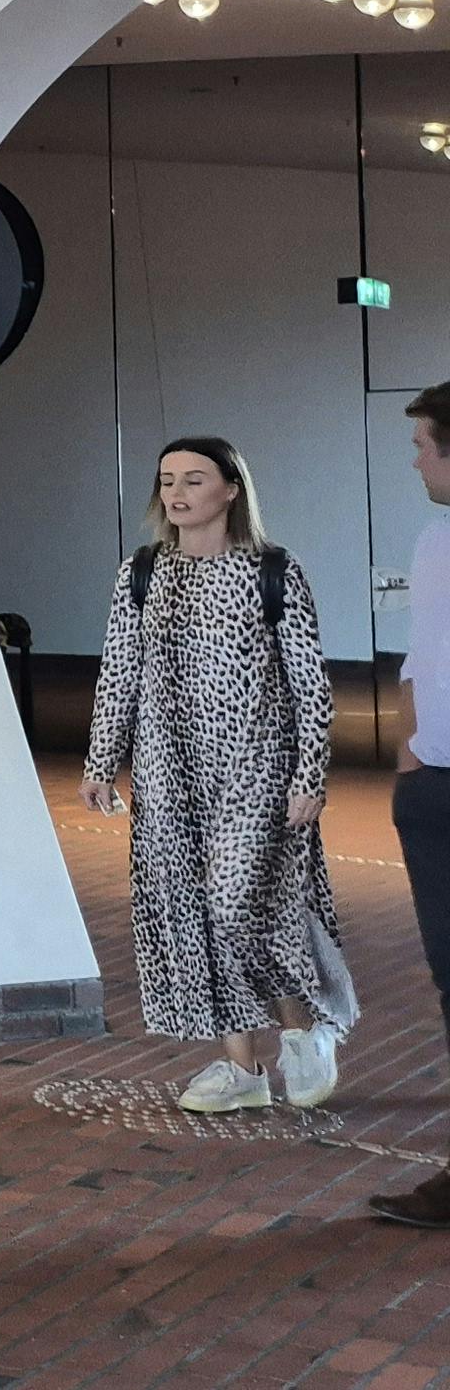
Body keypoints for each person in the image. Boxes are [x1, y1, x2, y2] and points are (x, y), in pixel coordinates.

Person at [81, 435, 353, 1113]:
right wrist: (101, 761)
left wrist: (309, 776)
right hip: (168, 773)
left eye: (194, 479)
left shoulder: (272, 571)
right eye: (167, 479)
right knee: (195, 913)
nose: (176, 493)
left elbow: (310, 685)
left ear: (231, 490)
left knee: (239, 907)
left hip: (256, 769)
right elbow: (119, 670)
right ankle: (242, 1069)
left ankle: (304, 1033)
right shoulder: (142, 572)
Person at [373, 386, 450, 1227]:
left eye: (424, 443)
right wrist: (412, 762)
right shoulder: (435, 540)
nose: (415, 458)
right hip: (435, 787)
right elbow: (421, 660)